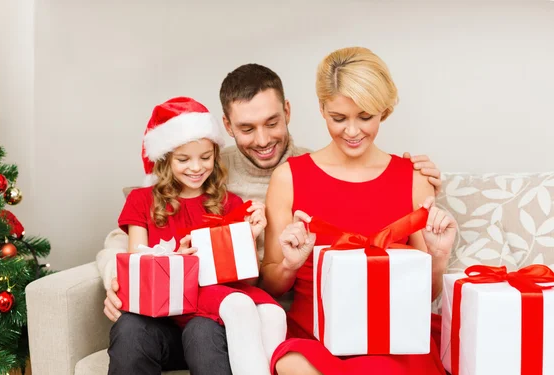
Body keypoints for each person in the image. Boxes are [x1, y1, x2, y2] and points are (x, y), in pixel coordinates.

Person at [99, 63, 445, 374]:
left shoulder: (313, 167)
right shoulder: (206, 168)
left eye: (272, 122)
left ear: (289, 112)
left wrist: (425, 205)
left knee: (207, 332)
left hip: (251, 314)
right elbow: (136, 226)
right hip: (206, 306)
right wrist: (121, 279)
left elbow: (409, 271)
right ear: (227, 126)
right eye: (247, 128)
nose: (263, 140)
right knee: (132, 329)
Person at [261, 47, 457, 375]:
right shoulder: (288, 177)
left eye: (365, 117)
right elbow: (270, 285)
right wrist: (289, 264)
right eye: (339, 118)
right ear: (322, 108)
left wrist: (437, 258)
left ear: (385, 111)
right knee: (291, 362)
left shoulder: (413, 178)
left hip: (392, 337)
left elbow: (426, 294)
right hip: (315, 335)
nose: (352, 132)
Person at [108, 96, 286, 375]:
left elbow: (246, 281)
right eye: (183, 159)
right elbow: (136, 268)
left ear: (215, 155)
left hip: (208, 323)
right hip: (162, 323)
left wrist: (248, 238)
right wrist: (174, 264)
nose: (196, 168)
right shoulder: (142, 201)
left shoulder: (230, 204)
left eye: (205, 157)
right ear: (165, 159)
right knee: (130, 328)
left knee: (210, 330)